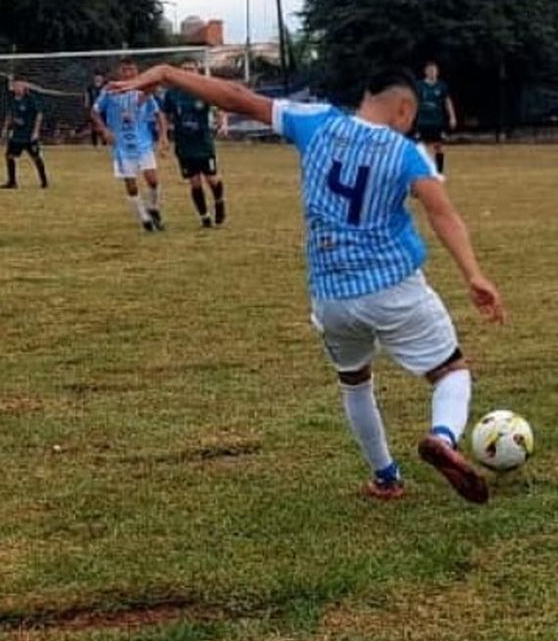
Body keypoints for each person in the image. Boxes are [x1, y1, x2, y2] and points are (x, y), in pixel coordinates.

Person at [110, 63, 504, 503]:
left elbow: (234, 97)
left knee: (355, 381)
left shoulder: (314, 121)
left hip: (331, 294)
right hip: (394, 286)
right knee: (450, 371)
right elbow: (441, 212)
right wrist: (474, 273)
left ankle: (385, 477)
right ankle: (443, 437)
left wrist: (166, 73)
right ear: (405, 108)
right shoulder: (406, 151)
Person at [90, 58, 167, 232]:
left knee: (153, 180)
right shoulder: (110, 90)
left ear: (137, 72)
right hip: (121, 146)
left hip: (143, 143)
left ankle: (153, 208)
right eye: (124, 70)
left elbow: (158, 114)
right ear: (119, 72)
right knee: (131, 184)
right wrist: (105, 131)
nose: (128, 73)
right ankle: (144, 218)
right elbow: (94, 112)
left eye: (131, 70)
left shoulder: (142, 91)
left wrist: (163, 136)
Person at [160, 59, 229, 227]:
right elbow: (163, 113)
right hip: (184, 144)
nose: (188, 72)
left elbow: (220, 105)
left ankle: (219, 202)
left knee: (212, 179)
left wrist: (223, 123)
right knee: (194, 181)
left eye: (191, 69)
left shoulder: (204, 90)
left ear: (197, 72)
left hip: (203, 143)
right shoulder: (173, 93)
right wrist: (163, 136)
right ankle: (204, 216)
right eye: (185, 69)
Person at [0, 77, 48, 189]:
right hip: (17, 135)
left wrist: (36, 131)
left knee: (36, 157)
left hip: (29, 135)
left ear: (24, 86)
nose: (17, 88)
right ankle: (12, 182)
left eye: (19, 85)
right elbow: (9, 115)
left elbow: (39, 114)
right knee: (9, 156)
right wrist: (5, 129)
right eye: (15, 86)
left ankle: (44, 182)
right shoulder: (12, 100)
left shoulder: (30, 99)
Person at [414, 61, 457, 174]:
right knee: (421, 147)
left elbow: (448, 102)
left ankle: (439, 171)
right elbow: (414, 102)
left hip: (437, 122)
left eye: (434, 70)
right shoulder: (419, 86)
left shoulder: (442, 86)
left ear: (437, 72)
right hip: (422, 122)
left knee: (439, 146)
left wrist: (452, 117)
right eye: (429, 70)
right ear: (425, 72)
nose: (432, 72)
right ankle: (423, 170)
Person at [84, 71, 107, 146]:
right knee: (93, 127)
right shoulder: (90, 88)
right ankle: (95, 144)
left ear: (103, 78)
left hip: (103, 110)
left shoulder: (105, 87)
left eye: (100, 77)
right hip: (93, 109)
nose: (98, 79)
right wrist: (87, 106)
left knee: (104, 126)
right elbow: (87, 98)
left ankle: (104, 143)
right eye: (96, 77)